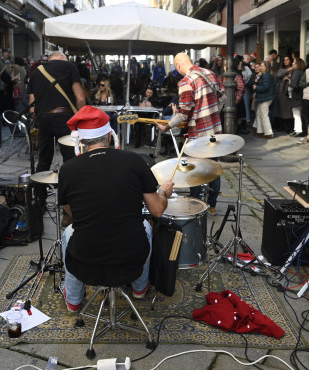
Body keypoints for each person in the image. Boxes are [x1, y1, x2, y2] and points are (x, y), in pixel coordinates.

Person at [58, 106, 174, 311]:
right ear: (110, 137)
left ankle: (74, 301)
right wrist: (164, 192)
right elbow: (156, 211)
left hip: (86, 260)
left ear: (82, 142)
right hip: (130, 258)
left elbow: (70, 212)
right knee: (146, 228)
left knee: (69, 232)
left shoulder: (67, 169)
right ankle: (139, 288)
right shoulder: (134, 161)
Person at [156, 52, 223, 213]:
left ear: (178, 65)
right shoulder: (210, 73)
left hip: (198, 134)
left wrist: (167, 126)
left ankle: (196, 206)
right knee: (213, 167)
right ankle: (212, 206)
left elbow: (184, 114)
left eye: (176, 67)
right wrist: (211, 113)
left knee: (196, 170)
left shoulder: (186, 82)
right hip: (215, 131)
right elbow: (223, 98)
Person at [28, 50, 86, 175]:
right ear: (61, 56)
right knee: (70, 159)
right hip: (65, 118)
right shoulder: (70, 66)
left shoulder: (37, 71)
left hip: (43, 119)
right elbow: (80, 98)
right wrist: (81, 117)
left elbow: (32, 107)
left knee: (44, 159)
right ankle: (69, 192)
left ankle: (39, 193)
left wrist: (38, 118)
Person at [252, 61, 276, 138]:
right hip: (264, 97)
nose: (260, 67)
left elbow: (266, 87)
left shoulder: (266, 75)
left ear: (266, 67)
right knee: (259, 114)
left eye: (262, 66)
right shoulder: (265, 75)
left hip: (266, 97)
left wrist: (256, 87)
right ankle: (259, 130)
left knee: (264, 115)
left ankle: (268, 133)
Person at [273, 55, 294, 133]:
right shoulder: (282, 69)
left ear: (290, 61)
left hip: (288, 92)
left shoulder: (293, 69)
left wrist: (290, 77)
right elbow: (278, 75)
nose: (286, 61)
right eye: (284, 60)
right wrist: (289, 69)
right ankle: (280, 126)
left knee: (287, 110)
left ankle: (288, 128)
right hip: (279, 92)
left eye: (287, 60)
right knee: (280, 109)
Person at [288, 58, 306, 136]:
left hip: (296, 95)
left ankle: (298, 130)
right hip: (299, 95)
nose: (292, 64)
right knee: (297, 114)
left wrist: (289, 84)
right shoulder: (301, 72)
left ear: (297, 64)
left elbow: (294, 84)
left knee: (297, 114)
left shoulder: (297, 72)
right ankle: (297, 129)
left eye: (294, 63)